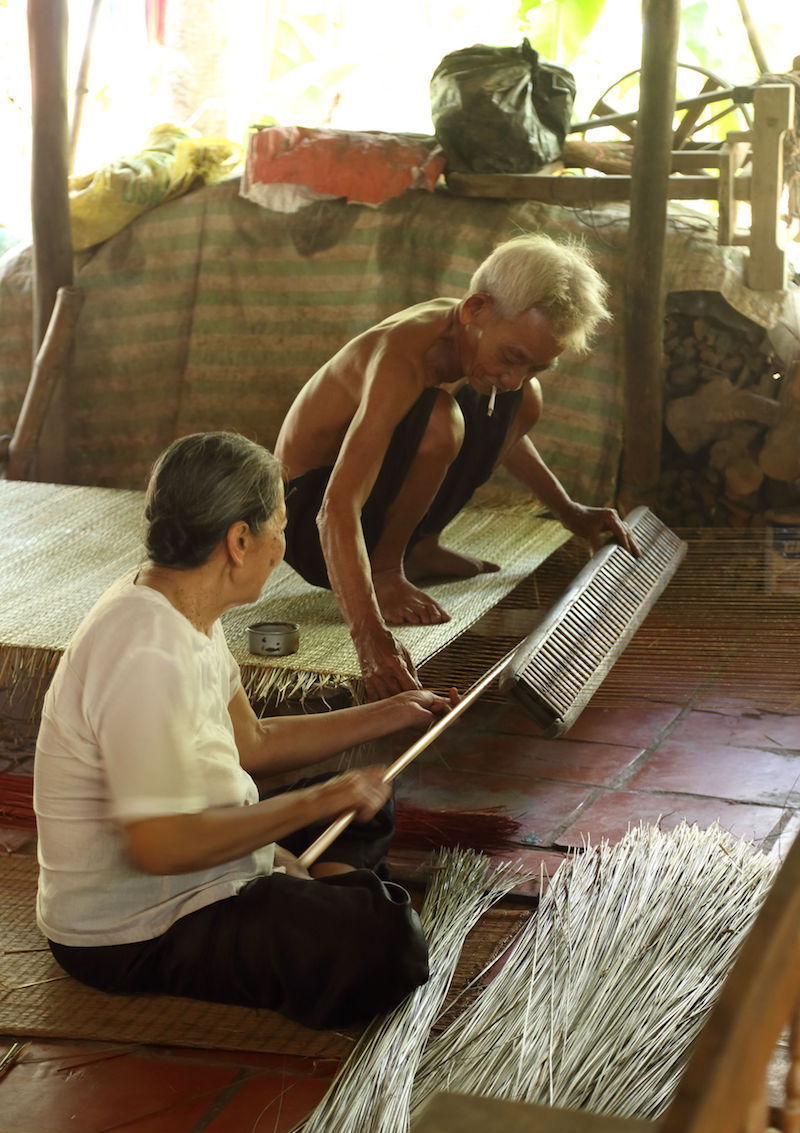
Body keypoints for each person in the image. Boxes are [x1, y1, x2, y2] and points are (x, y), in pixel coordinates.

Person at [34, 431, 448, 1030]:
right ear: (239, 539)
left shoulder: (185, 604)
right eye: (279, 526)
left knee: (369, 804)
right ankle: (325, 892)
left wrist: (395, 712)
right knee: (386, 944)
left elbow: (252, 744)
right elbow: (161, 848)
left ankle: (316, 886)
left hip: (201, 857)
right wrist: (308, 809)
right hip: (135, 927)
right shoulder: (145, 651)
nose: (281, 546)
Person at [275, 232, 638, 702]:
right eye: (512, 358)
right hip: (307, 525)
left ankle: (418, 549)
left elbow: (505, 439)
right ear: (476, 310)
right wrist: (368, 637)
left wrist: (569, 512)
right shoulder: (400, 357)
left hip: (358, 510)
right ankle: (389, 569)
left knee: (520, 402)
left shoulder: (478, 336)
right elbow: (335, 506)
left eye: (533, 365)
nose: (513, 376)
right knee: (439, 423)